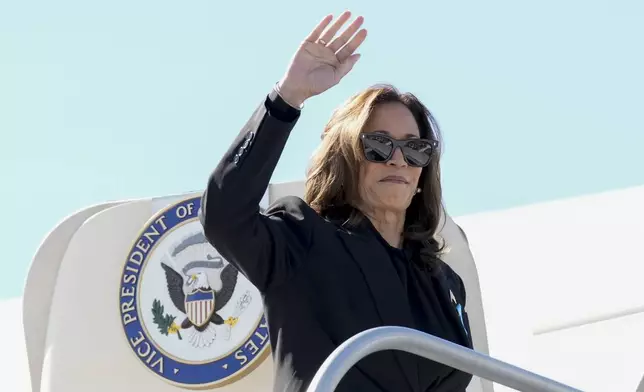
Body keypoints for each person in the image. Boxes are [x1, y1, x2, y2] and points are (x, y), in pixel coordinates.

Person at [199, 11, 474, 392]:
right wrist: (287, 97)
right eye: (379, 145)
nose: (398, 159)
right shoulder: (302, 239)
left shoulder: (444, 283)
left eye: (414, 148)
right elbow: (225, 216)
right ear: (346, 156)